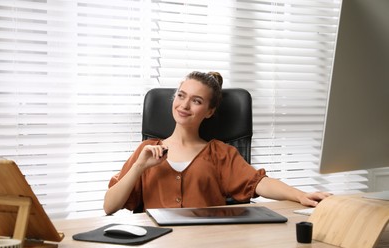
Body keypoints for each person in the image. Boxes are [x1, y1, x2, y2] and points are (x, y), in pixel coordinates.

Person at [103, 71, 331, 215]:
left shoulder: (219, 153)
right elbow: (109, 206)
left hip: (209, 244)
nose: (184, 105)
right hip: (159, 246)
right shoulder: (147, 151)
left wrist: (300, 195)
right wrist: (139, 167)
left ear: (210, 111)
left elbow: (259, 183)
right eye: (181, 95)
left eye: (197, 101)